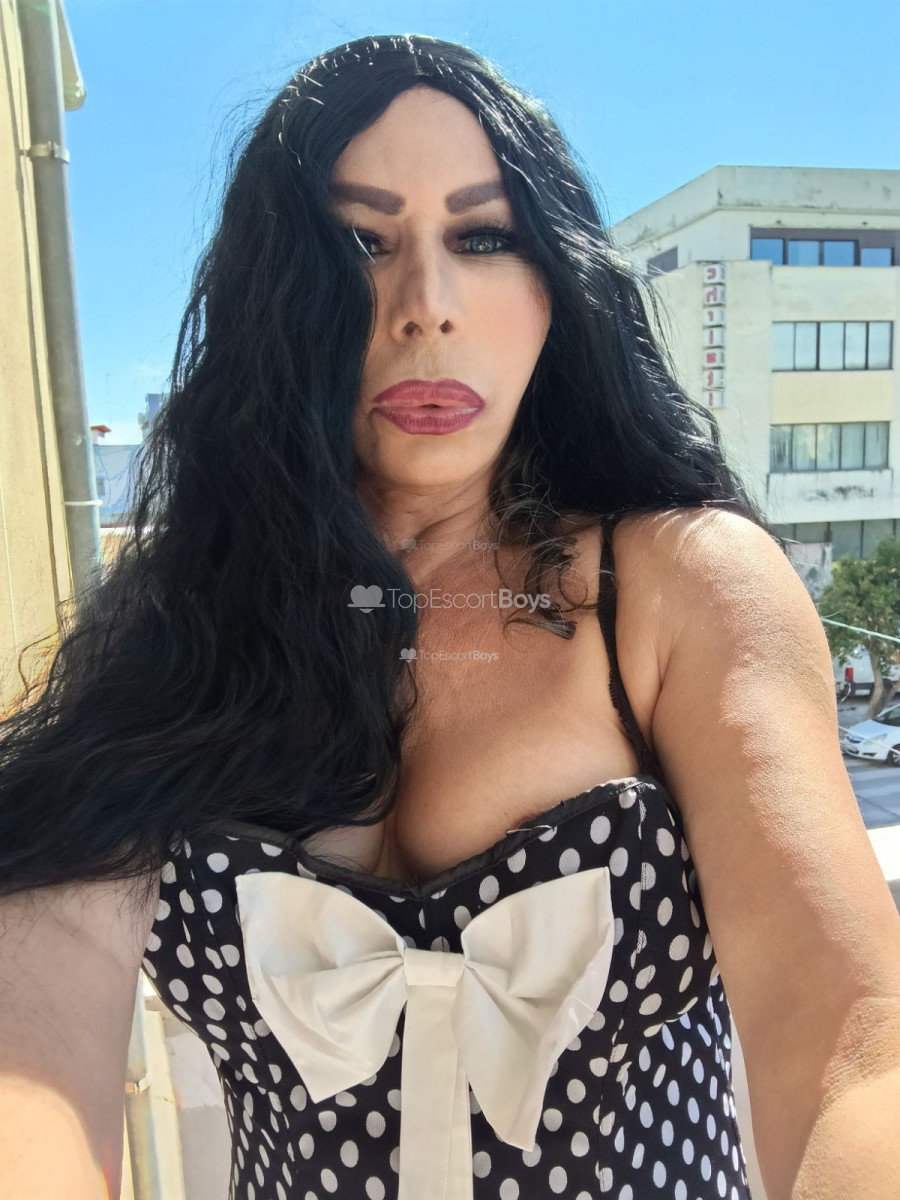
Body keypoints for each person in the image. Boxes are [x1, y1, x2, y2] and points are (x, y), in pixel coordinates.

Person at [2, 32, 899, 1200]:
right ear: (277, 293)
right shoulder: (171, 628)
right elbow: (30, 1045)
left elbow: (849, 1042)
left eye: (483, 238)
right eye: (358, 243)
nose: (425, 307)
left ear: (554, 286)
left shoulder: (682, 585)